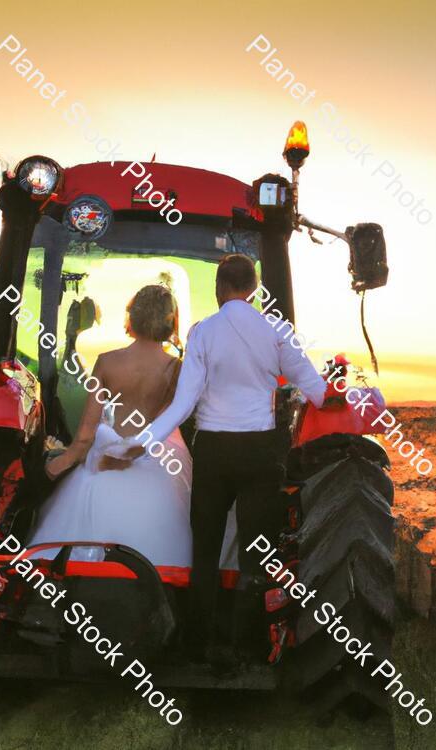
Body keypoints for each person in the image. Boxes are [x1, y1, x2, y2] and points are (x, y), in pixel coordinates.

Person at [127, 254, 326, 660]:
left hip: (214, 450)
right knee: (258, 551)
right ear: (254, 289)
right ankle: (249, 644)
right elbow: (312, 387)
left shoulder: (203, 332)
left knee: (205, 549)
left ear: (219, 289)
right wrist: (344, 397)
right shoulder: (277, 330)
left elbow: (185, 402)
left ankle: (199, 642)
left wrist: (146, 439)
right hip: (261, 450)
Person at [28, 285, 194, 567]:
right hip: (153, 465)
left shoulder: (107, 362)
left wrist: (58, 465)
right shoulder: (176, 368)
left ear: (133, 317)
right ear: (170, 321)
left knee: (64, 551)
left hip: (103, 462)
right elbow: (167, 423)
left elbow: (84, 435)